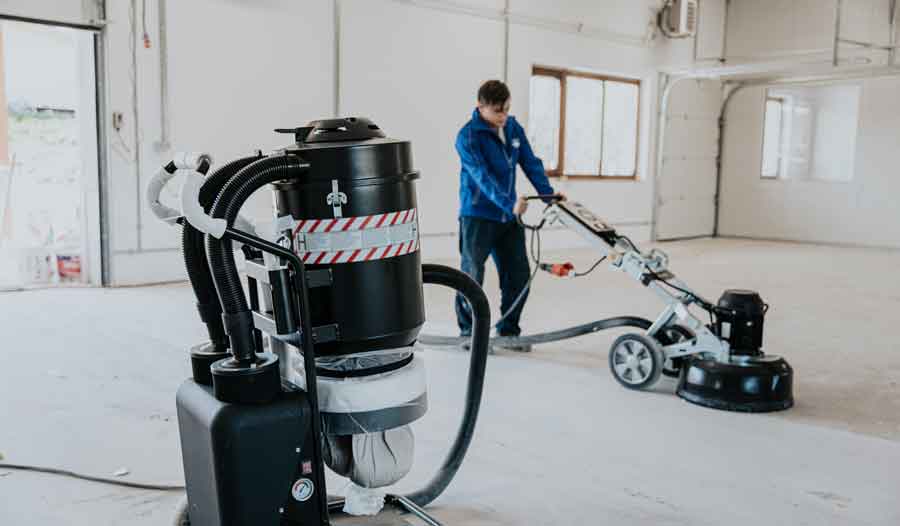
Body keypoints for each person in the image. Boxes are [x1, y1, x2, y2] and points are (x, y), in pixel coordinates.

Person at [454, 79, 560, 352]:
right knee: (471, 274)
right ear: (480, 107)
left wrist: (548, 195)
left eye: (506, 109)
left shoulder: (512, 127)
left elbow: (530, 162)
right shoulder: (467, 137)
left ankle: (509, 331)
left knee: (519, 273)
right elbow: (482, 176)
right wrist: (508, 203)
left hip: (507, 217)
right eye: (497, 111)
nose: (503, 116)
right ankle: (468, 332)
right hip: (477, 215)